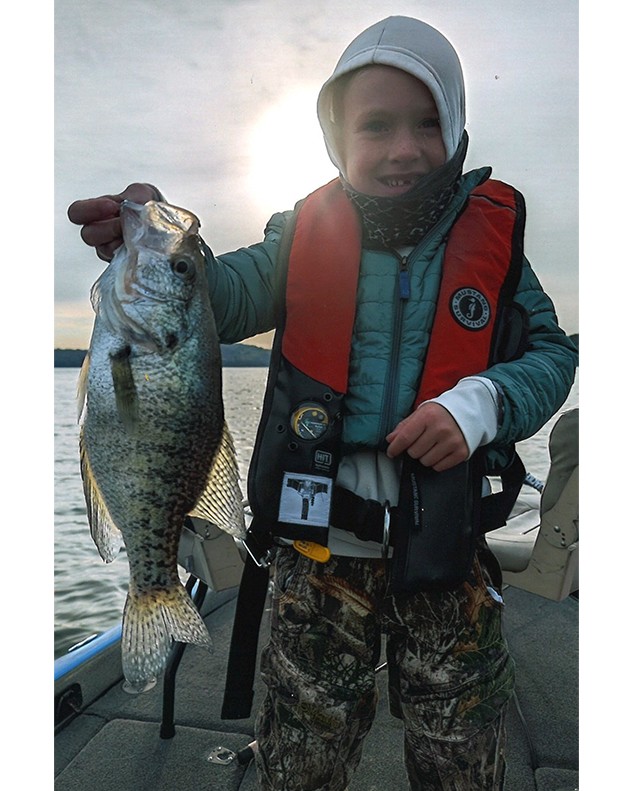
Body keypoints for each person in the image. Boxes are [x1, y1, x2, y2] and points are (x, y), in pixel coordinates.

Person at [68, 16, 578, 791]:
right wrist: (162, 251)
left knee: (461, 758)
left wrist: (480, 402)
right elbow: (219, 295)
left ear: (457, 126)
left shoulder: (497, 243)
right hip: (316, 554)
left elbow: (550, 352)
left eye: (426, 122)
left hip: (449, 555)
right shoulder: (298, 236)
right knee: (301, 756)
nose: (402, 147)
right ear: (336, 139)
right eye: (375, 126)